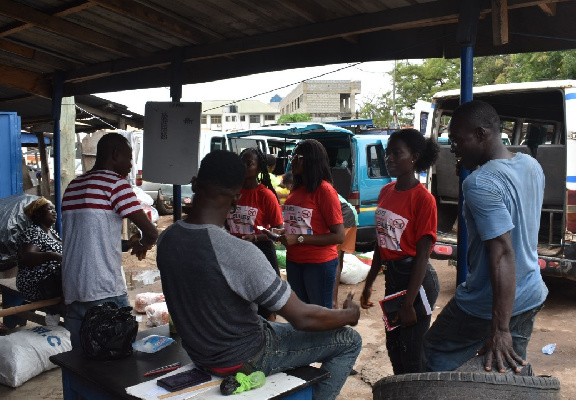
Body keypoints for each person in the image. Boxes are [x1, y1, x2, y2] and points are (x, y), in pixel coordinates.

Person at [157, 150, 361, 400]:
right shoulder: (237, 252)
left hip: (201, 353)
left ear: (195, 184)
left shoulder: (167, 239)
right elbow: (303, 318)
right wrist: (348, 315)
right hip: (246, 356)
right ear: (236, 199)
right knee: (350, 340)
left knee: (269, 323)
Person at [423, 100, 548, 373]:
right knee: (510, 368)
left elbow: (502, 252)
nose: (453, 148)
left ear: (481, 134)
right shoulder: (530, 164)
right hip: (531, 293)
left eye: (457, 140)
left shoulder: (480, 183)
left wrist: (500, 328)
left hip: (486, 301)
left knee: (434, 348)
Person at [61, 132, 159, 348]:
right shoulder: (116, 184)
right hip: (103, 288)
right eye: (129, 158)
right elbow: (151, 232)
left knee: (80, 359)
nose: (131, 165)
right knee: (116, 359)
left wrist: (127, 244)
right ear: (116, 155)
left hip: (73, 287)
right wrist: (143, 244)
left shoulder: (73, 186)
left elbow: (87, 236)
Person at [360, 129, 440, 374]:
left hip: (416, 281)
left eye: (397, 153)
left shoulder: (424, 199)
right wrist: (369, 282)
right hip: (394, 279)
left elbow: (423, 255)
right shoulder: (386, 191)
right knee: (395, 347)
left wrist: (409, 302)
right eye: (388, 153)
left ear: (414, 157)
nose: (389, 158)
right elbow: (381, 242)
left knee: (412, 352)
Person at [279, 139, 345, 309]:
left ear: (312, 159)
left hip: (318, 265)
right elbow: (298, 226)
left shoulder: (325, 191)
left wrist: (299, 239)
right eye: (292, 157)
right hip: (294, 262)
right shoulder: (296, 190)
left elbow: (339, 236)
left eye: (298, 157)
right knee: (301, 316)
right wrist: (281, 232)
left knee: (319, 317)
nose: (293, 161)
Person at [225, 147, 284, 320]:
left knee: (265, 305)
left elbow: (279, 230)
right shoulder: (231, 194)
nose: (243, 166)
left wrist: (256, 237)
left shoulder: (265, 196)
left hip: (261, 253)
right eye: (240, 162)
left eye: (248, 163)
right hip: (234, 253)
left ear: (259, 168)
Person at [17, 197, 62, 302]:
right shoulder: (33, 232)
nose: (54, 212)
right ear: (37, 214)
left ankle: (54, 316)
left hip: (51, 282)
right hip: (37, 283)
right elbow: (25, 257)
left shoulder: (52, 232)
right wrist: (53, 255)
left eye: (54, 209)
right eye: (49, 209)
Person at [332, 194, 358, 309]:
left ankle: (333, 302)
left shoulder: (319, 189)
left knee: (334, 259)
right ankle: (333, 301)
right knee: (338, 258)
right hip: (350, 214)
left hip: (345, 215)